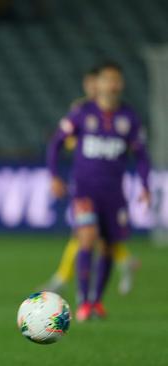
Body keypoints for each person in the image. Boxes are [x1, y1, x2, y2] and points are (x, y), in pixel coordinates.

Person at [46, 61, 151, 322]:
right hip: (84, 191)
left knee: (107, 247)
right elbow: (56, 143)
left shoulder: (129, 118)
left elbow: (141, 156)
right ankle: (83, 302)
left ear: (121, 84)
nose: (113, 85)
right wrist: (54, 176)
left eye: (117, 80)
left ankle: (96, 302)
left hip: (114, 194)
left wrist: (146, 185)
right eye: (108, 80)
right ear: (99, 83)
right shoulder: (82, 113)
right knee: (87, 237)